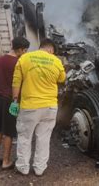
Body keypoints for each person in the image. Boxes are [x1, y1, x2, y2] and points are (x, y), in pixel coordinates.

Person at [12, 38, 66, 176]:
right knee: (43, 138)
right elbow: (62, 79)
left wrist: (15, 100)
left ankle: (23, 168)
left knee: (25, 137)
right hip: (50, 107)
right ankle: (39, 168)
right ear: (50, 50)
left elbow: (16, 82)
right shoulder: (56, 61)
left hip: (30, 107)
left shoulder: (25, 58)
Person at [0, 37, 30, 169]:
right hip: (12, 101)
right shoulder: (19, 62)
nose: (25, 53)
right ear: (20, 49)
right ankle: (6, 161)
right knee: (9, 132)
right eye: (25, 50)